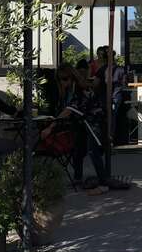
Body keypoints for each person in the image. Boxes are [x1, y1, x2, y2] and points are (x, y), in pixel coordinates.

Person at [41, 64, 109, 194]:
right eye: (60, 79)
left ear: (72, 78)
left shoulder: (79, 90)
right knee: (78, 150)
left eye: (65, 79)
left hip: (93, 122)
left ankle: (103, 184)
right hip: (83, 122)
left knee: (93, 151)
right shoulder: (70, 90)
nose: (63, 82)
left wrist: (50, 127)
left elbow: (67, 111)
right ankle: (78, 178)